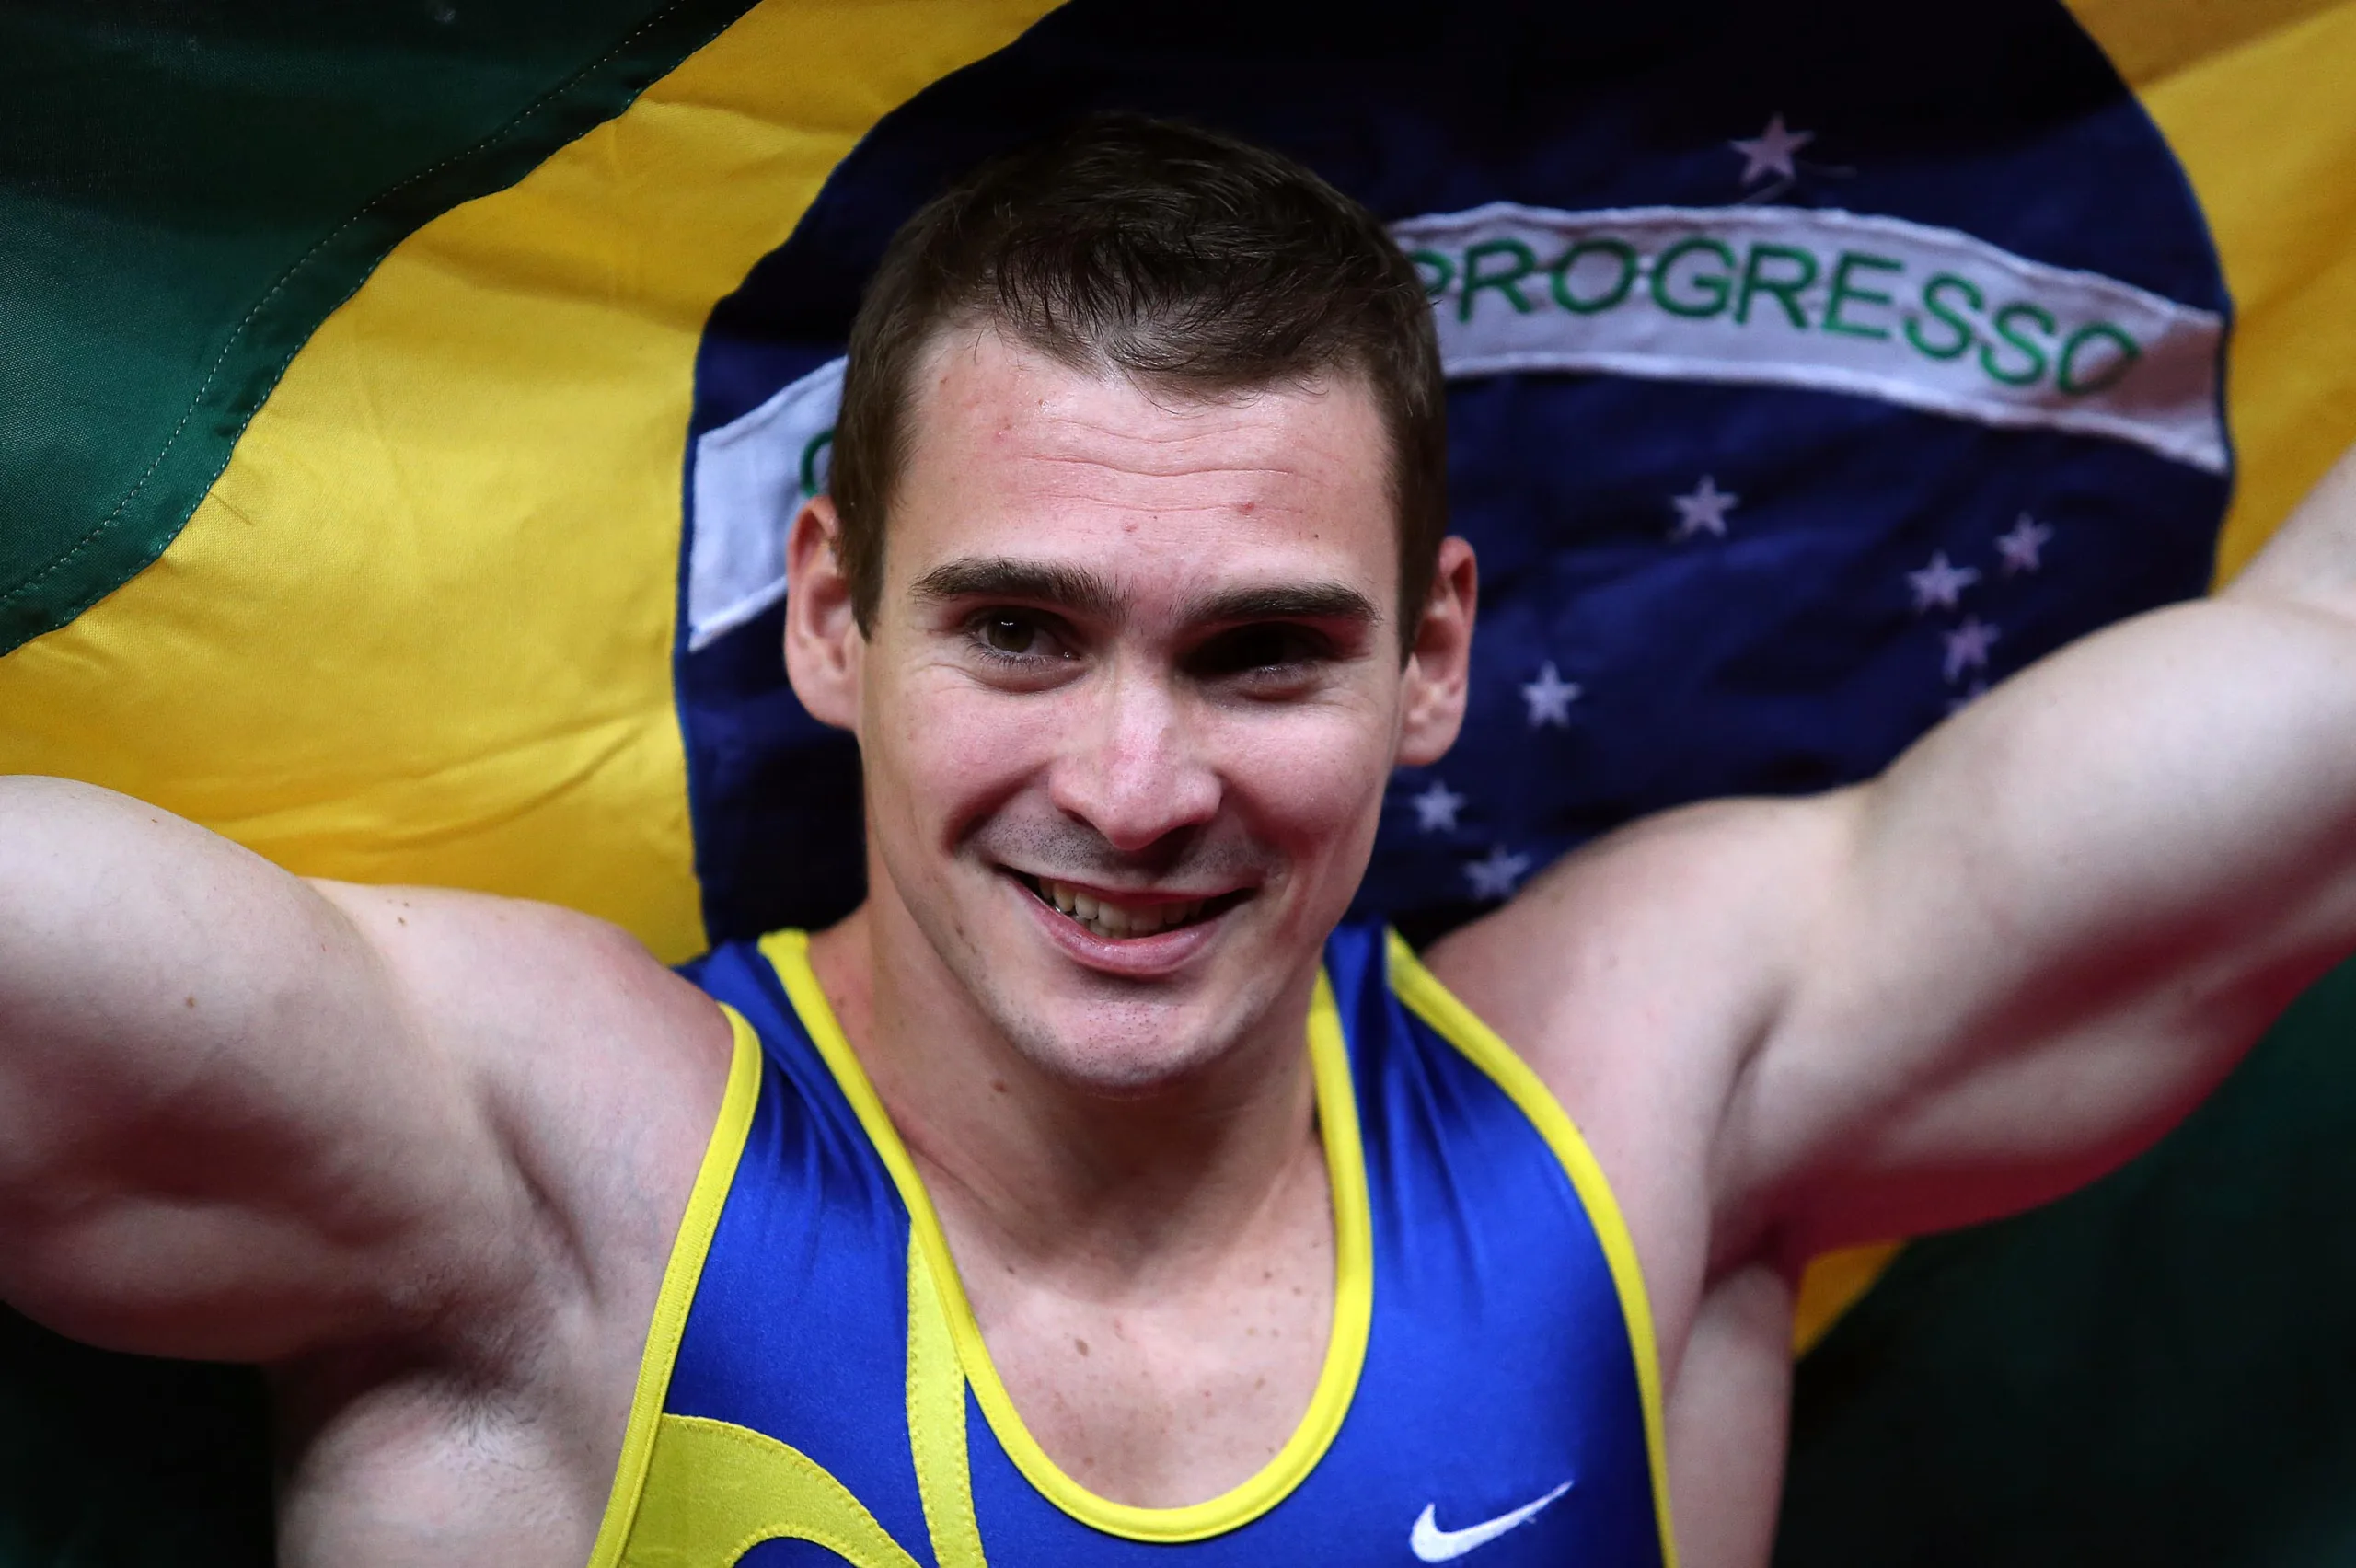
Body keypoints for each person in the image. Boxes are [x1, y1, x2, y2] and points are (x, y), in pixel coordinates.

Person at [4, 115, 2354, 1568]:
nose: (1133, 791)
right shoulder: (541, 1177)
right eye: (1020, 632)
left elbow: (2312, 685)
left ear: (1430, 658)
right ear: (830, 615)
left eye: (1257, 654)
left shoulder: (1645, 1112)